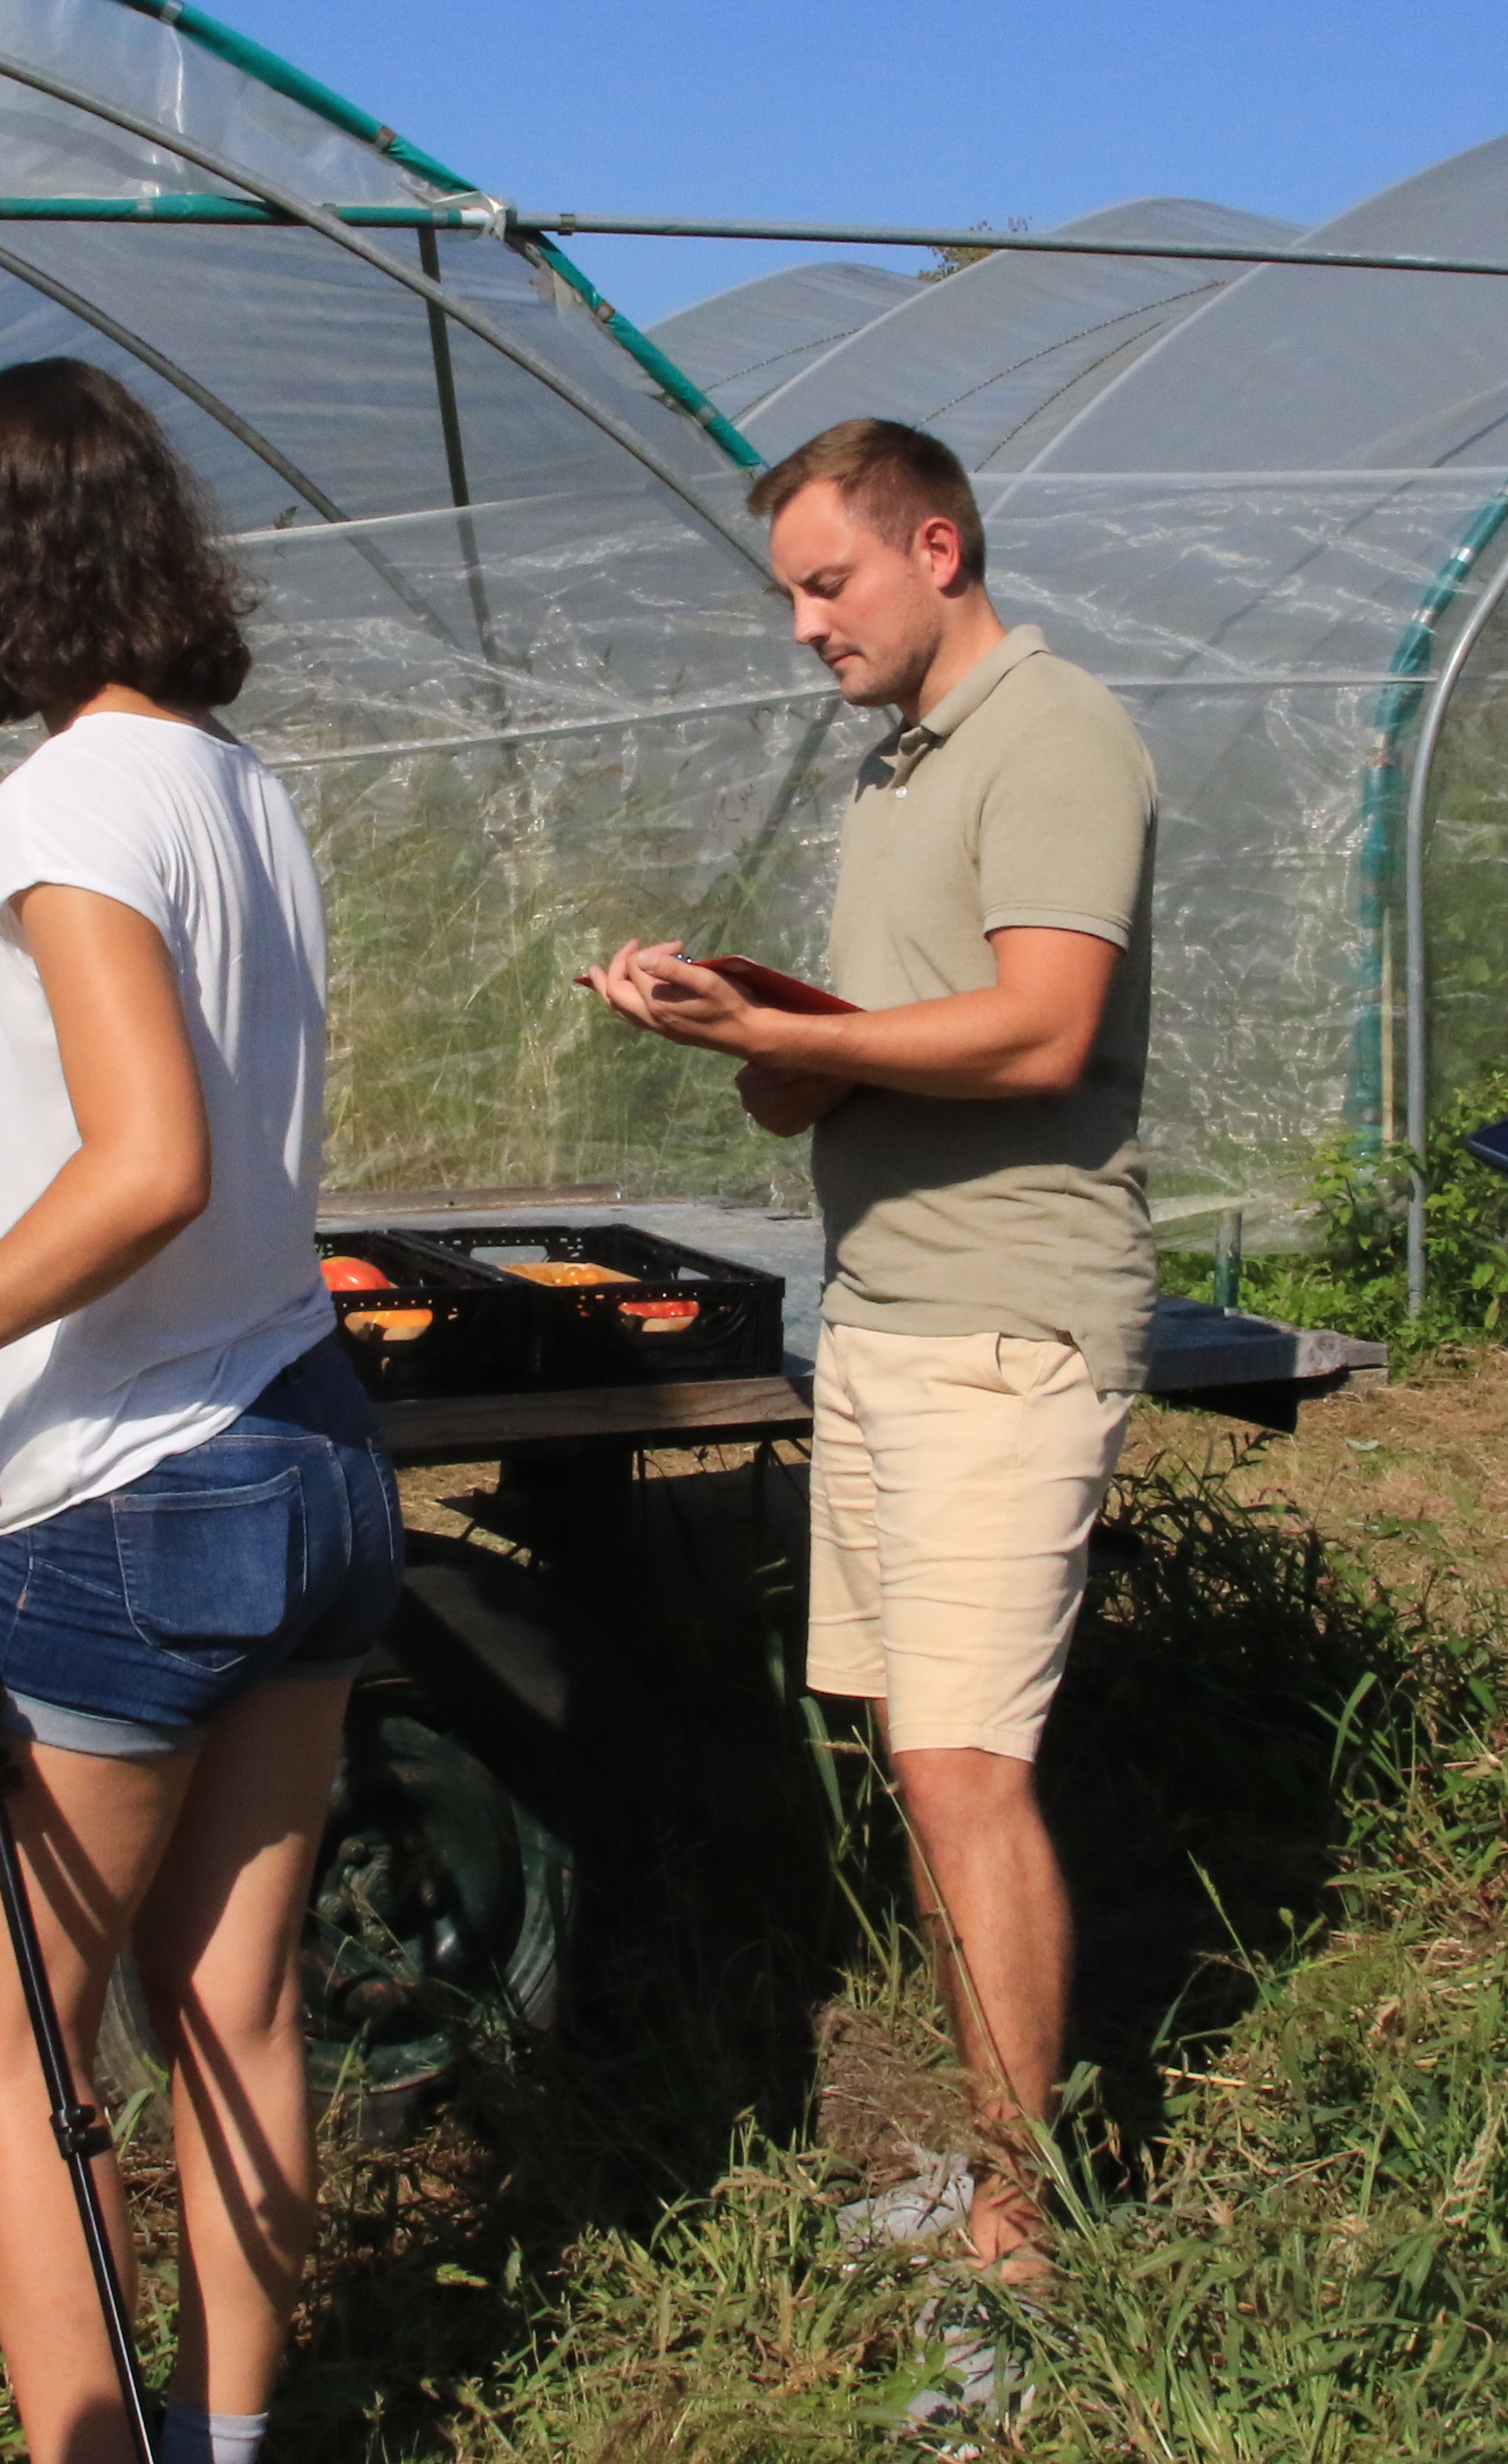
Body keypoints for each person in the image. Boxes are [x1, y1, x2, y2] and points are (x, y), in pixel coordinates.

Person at [0, 358, 388, 2464]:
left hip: (137, 1493)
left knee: (7, 2032)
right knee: (232, 2008)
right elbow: (174, 1089)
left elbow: (144, 1168)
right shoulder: (233, 785)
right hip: (309, 1441)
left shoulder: (56, 802)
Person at [574, 415, 1156, 2280]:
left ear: (935, 546)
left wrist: (787, 1030)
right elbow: (815, 1099)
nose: (805, 629)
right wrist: (734, 1026)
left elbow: (1045, 1031)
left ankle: (1019, 2239)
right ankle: (989, 2165)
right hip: (891, 1310)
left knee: (976, 1774)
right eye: (791, 597)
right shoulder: (898, 775)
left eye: (827, 586)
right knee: (925, 1760)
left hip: (1008, 1318)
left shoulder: (1057, 736)